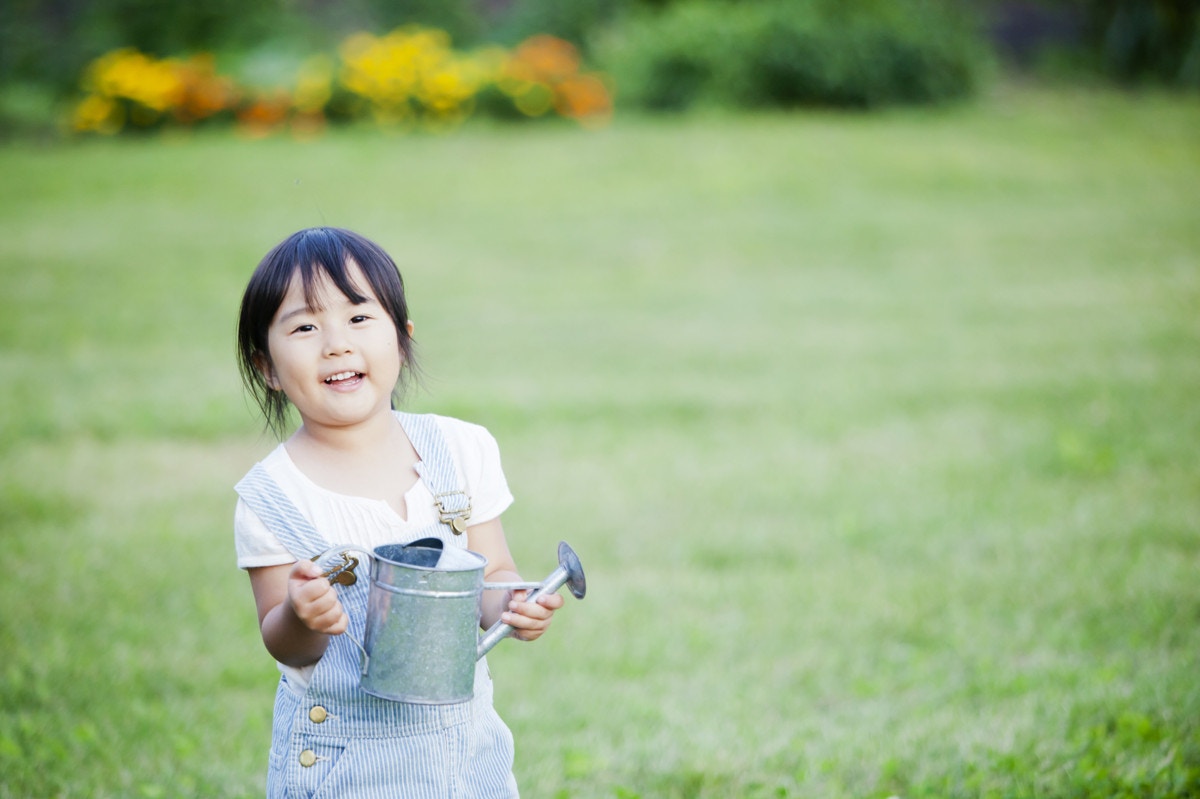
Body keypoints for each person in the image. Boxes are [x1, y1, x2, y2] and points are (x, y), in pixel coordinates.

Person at [232, 226, 563, 797]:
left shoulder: (461, 451)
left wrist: (512, 602)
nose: (335, 343)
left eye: (359, 318)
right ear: (266, 367)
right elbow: (281, 641)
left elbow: (492, 574)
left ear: (403, 338)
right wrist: (300, 613)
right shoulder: (272, 497)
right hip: (345, 767)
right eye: (306, 327)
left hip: (466, 754)